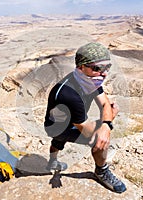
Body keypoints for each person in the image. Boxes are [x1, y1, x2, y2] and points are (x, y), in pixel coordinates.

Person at [44, 42, 126, 193]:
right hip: (56, 127)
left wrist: (106, 124)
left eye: (107, 67)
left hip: (63, 123)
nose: (104, 73)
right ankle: (101, 172)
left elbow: (105, 104)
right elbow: (89, 132)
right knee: (99, 141)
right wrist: (108, 123)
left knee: (59, 141)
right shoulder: (69, 94)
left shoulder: (89, 80)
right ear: (81, 67)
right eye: (97, 68)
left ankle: (52, 162)